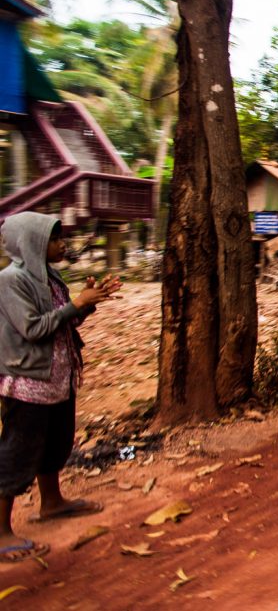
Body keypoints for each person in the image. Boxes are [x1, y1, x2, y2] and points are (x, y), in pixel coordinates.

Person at [0, 212, 121, 563]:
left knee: (56, 442)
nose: (62, 244)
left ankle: (52, 503)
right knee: (17, 452)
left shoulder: (49, 277)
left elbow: (63, 320)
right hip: (28, 383)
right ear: (33, 244)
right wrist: (76, 304)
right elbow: (34, 329)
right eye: (55, 239)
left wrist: (87, 302)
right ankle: (2, 531)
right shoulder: (11, 280)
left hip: (58, 380)